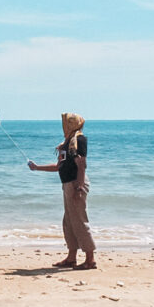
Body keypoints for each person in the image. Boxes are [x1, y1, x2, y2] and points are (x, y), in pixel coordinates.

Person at [28, 112, 96, 270]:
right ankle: (71, 257)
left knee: (79, 220)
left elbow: (81, 165)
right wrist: (37, 167)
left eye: (66, 123)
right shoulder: (66, 143)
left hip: (75, 184)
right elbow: (59, 167)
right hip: (67, 184)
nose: (64, 125)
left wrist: (79, 187)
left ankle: (90, 259)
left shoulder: (79, 140)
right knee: (68, 221)